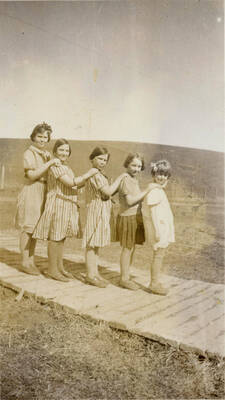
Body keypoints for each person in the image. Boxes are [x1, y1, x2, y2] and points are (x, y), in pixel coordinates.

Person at [33, 139, 98, 282]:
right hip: (58, 203)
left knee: (61, 237)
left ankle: (59, 267)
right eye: (61, 150)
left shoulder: (66, 167)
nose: (64, 153)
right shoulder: (55, 166)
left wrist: (88, 180)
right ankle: (52, 270)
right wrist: (88, 174)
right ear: (55, 151)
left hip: (67, 204)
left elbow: (75, 185)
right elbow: (70, 183)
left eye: (67, 151)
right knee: (55, 238)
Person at [15, 122, 60, 275]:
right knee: (28, 227)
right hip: (32, 189)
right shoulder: (29, 153)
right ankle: (24, 262)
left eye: (45, 137)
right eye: (39, 136)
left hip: (43, 190)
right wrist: (49, 164)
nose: (42, 139)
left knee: (34, 228)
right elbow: (32, 175)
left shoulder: (46, 154)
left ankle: (31, 261)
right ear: (33, 137)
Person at [82, 146, 127, 288]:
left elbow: (105, 194)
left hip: (101, 209)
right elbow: (107, 192)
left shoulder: (100, 174)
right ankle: (90, 275)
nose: (102, 162)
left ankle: (94, 273)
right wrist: (120, 178)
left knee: (96, 243)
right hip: (95, 209)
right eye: (99, 158)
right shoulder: (95, 174)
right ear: (92, 159)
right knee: (92, 243)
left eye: (105, 160)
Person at [116, 153, 152, 290]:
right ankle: (124, 279)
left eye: (139, 166)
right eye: (134, 165)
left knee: (132, 248)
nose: (136, 169)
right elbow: (130, 201)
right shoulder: (125, 179)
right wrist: (147, 191)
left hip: (135, 217)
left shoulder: (134, 180)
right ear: (127, 164)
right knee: (127, 248)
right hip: (127, 217)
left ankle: (126, 275)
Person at [142, 160, 175, 295]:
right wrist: (156, 231)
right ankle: (153, 283)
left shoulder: (159, 190)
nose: (162, 177)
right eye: (159, 174)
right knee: (158, 255)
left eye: (165, 175)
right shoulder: (155, 191)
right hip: (158, 228)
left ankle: (155, 280)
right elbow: (154, 213)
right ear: (154, 174)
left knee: (160, 254)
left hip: (161, 227)